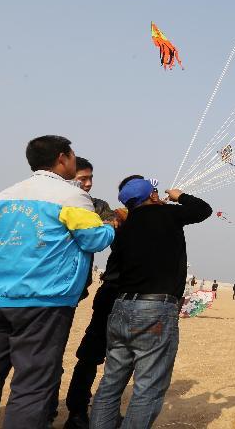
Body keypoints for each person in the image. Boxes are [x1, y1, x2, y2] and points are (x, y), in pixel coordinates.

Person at [0, 136, 114, 428]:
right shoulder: (70, 196)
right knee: (33, 382)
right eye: (73, 155)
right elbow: (94, 239)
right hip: (42, 300)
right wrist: (109, 226)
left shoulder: (2, 197)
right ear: (62, 158)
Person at [90, 178, 212, 428]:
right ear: (153, 196)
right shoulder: (167, 213)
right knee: (148, 387)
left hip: (122, 307)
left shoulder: (124, 225)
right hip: (154, 310)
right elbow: (204, 210)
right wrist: (180, 196)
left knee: (111, 383)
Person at [62, 174, 137, 429]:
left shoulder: (137, 219)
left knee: (108, 357)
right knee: (97, 354)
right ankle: (79, 410)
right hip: (116, 292)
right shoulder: (120, 218)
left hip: (118, 292)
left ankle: (89, 412)